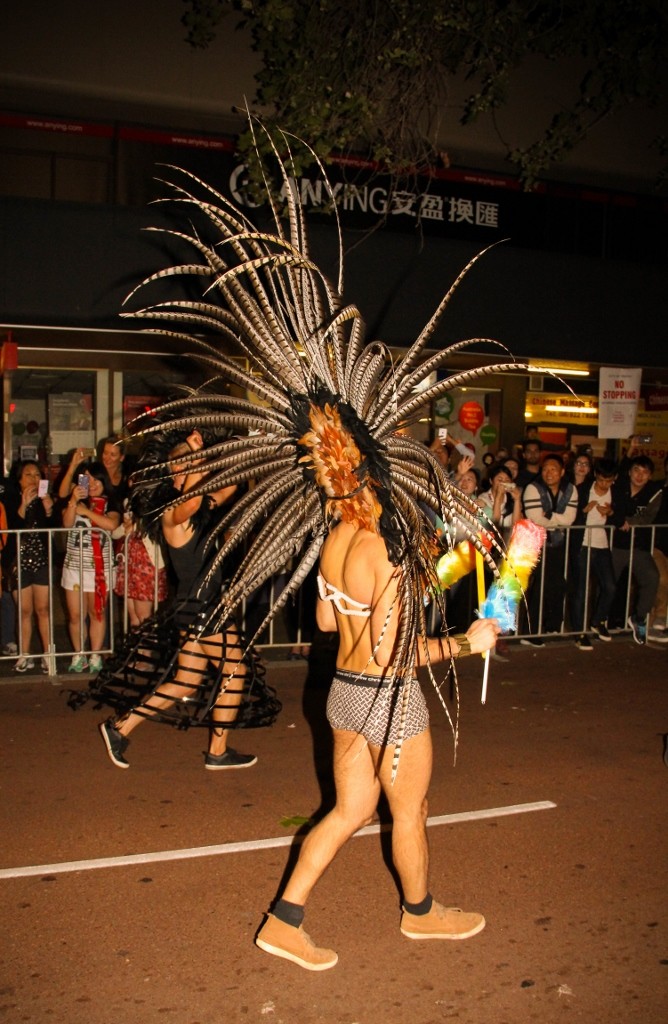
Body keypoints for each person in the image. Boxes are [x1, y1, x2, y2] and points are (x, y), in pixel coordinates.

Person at [254, 415, 501, 971]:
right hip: (389, 700)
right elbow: (397, 653)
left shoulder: (336, 541)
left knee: (350, 811)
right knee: (409, 811)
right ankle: (420, 912)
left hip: (342, 692)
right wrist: (467, 641)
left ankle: (283, 920)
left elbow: (323, 620)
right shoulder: (382, 550)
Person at [98, 428, 257, 771]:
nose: (196, 468)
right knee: (236, 672)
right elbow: (193, 499)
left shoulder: (200, 503)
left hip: (195, 605)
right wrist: (198, 458)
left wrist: (228, 452)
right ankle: (217, 752)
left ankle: (119, 728)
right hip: (202, 606)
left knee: (185, 680)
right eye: (189, 464)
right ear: (176, 470)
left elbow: (228, 487)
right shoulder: (173, 512)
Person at [61, 461, 121, 673]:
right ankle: (79, 654)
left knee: (97, 613)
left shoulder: (110, 503)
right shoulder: (76, 502)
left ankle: (95, 654)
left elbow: (111, 524)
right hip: (74, 568)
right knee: (75, 615)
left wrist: (85, 512)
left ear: (104, 480)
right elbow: (66, 524)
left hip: (99, 570)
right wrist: (73, 502)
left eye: (96, 478)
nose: (93, 483)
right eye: (87, 479)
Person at [521, 453, 577, 644]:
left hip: (559, 545)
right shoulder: (532, 488)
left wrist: (550, 516)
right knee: (540, 587)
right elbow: (535, 518)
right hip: (537, 544)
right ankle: (532, 632)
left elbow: (570, 519)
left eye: (553, 469)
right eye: (545, 469)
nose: (548, 472)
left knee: (558, 585)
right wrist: (557, 520)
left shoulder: (570, 489)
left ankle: (552, 626)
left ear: (562, 471)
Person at [610, 455, 663, 644]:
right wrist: (618, 520)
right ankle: (599, 622)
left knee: (652, 577)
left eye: (645, 472)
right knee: (609, 584)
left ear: (650, 476)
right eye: (637, 471)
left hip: (638, 546)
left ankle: (639, 618)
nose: (640, 476)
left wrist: (629, 521)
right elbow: (610, 509)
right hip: (615, 544)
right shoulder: (618, 487)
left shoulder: (654, 491)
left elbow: (648, 517)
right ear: (630, 472)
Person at [8, 460, 54, 673]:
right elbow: (10, 529)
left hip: (41, 561)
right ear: (19, 479)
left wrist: (48, 511)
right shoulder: (11, 498)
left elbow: (55, 530)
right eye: (28, 474)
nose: (34, 478)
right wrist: (23, 505)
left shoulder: (44, 500)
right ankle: (24, 654)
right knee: (24, 611)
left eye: (37, 474)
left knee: (42, 610)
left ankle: (47, 654)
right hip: (19, 562)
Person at [568, 458, 617, 650]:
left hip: (602, 544)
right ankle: (578, 632)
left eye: (609, 480)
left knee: (610, 586)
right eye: (602, 479)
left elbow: (621, 514)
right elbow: (572, 516)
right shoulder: (583, 490)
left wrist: (611, 512)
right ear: (595, 475)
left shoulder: (616, 491)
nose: (605, 484)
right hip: (583, 544)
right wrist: (583, 510)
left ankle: (597, 621)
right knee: (580, 590)